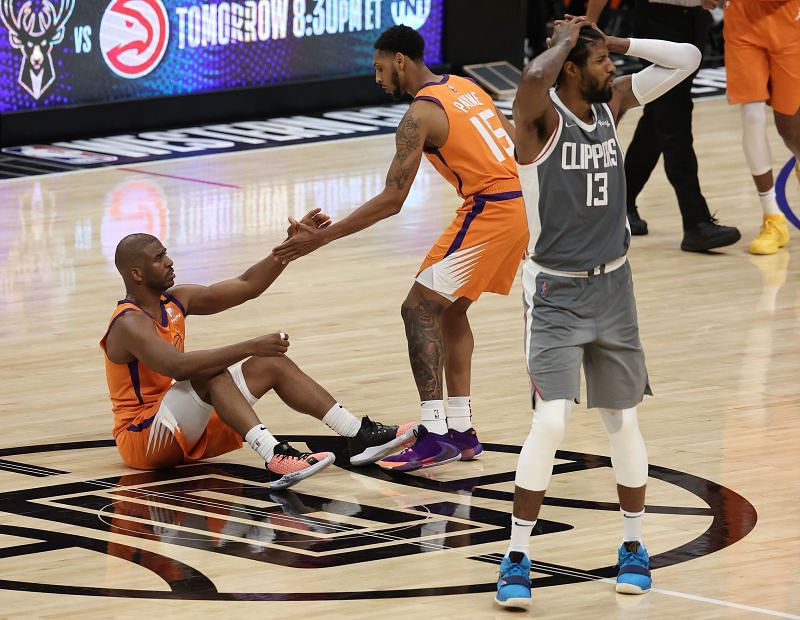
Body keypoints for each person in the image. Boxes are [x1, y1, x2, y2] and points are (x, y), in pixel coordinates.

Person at [494, 17, 702, 609]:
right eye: (603, 62)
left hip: (615, 289)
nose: (613, 71)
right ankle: (516, 556)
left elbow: (685, 57)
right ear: (569, 70)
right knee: (552, 424)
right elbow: (531, 78)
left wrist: (609, 42)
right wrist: (564, 43)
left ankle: (633, 546)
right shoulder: (538, 126)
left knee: (623, 422)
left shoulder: (610, 104)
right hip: (556, 295)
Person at [272, 25, 530, 472]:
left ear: (400, 62)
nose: (377, 78)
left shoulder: (419, 115)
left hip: (491, 210)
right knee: (449, 311)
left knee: (417, 309)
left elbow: (393, 201)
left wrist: (320, 238)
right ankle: (463, 432)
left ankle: (433, 434)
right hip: (521, 206)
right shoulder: (466, 86)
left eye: (378, 68)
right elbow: (520, 146)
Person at [100, 212, 414, 490]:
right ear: (136, 274)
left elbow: (247, 284)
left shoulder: (176, 300)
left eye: (166, 254)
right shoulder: (129, 323)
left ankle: (357, 435)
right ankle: (273, 454)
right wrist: (249, 345)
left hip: (181, 422)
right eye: (158, 258)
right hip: (143, 436)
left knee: (269, 362)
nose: (169, 261)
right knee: (209, 371)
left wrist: (287, 250)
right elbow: (178, 366)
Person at [586, 0, 741, 251]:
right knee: (675, 119)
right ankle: (696, 222)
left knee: (660, 116)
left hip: (696, 18)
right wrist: (591, 20)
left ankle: (622, 204)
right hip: (660, 18)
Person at [723, 0, 800, 255]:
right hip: (742, 22)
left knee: (789, 128)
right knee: (752, 116)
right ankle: (772, 217)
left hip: (789, 20)